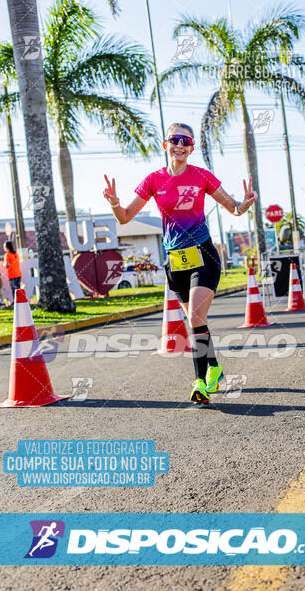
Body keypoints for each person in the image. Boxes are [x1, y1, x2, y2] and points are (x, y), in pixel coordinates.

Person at [103, 123, 257, 404]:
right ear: (166, 145)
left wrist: (245, 204)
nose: (180, 145)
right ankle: (215, 369)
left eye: (186, 141)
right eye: (175, 140)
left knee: (196, 317)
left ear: (192, 148)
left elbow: (233, 207)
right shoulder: (154, 180)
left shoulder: (202, 176)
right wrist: (114, 202)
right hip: (175, 261)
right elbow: (124, 218)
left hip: (203, 255)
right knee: (195, 321)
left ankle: (200, 382)